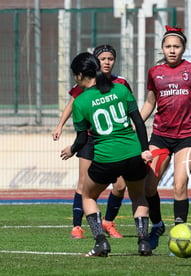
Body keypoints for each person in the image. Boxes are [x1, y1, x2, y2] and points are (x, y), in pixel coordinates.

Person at [60, 52, 152, 257]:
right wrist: (145, 149)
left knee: (88, 194)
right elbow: (138, 122)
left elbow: (83, 139)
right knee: (138, 196)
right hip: (132, 153)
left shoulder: (80, 102)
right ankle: (143, 242)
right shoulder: (120, 89)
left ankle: (100, 242)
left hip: (106, 158)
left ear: (80, 75)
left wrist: (71, 149)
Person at [140, 25, 191, 250]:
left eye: (176, 46)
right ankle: (158, 225)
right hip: (160, 136)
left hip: (187, 137)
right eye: (168, 46)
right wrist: (134, 123)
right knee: (148, 187)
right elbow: (150, 103)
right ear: (162, 48)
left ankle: (178, 234)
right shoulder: (155, 72)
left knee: (179, 184)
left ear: (183, 48)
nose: (172, 50)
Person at [52, 45, 129, 239]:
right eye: (102, 59)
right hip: (89, 139)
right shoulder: (83, 84)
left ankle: (108, 222)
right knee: (83, 184)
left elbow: (128, 108)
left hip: (113, 139)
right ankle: (77, 226)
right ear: (95, 62)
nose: (106, 62)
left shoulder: (120, 83)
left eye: (110, 58)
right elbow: (72, 105)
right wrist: (60, 125)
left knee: (120, 185)